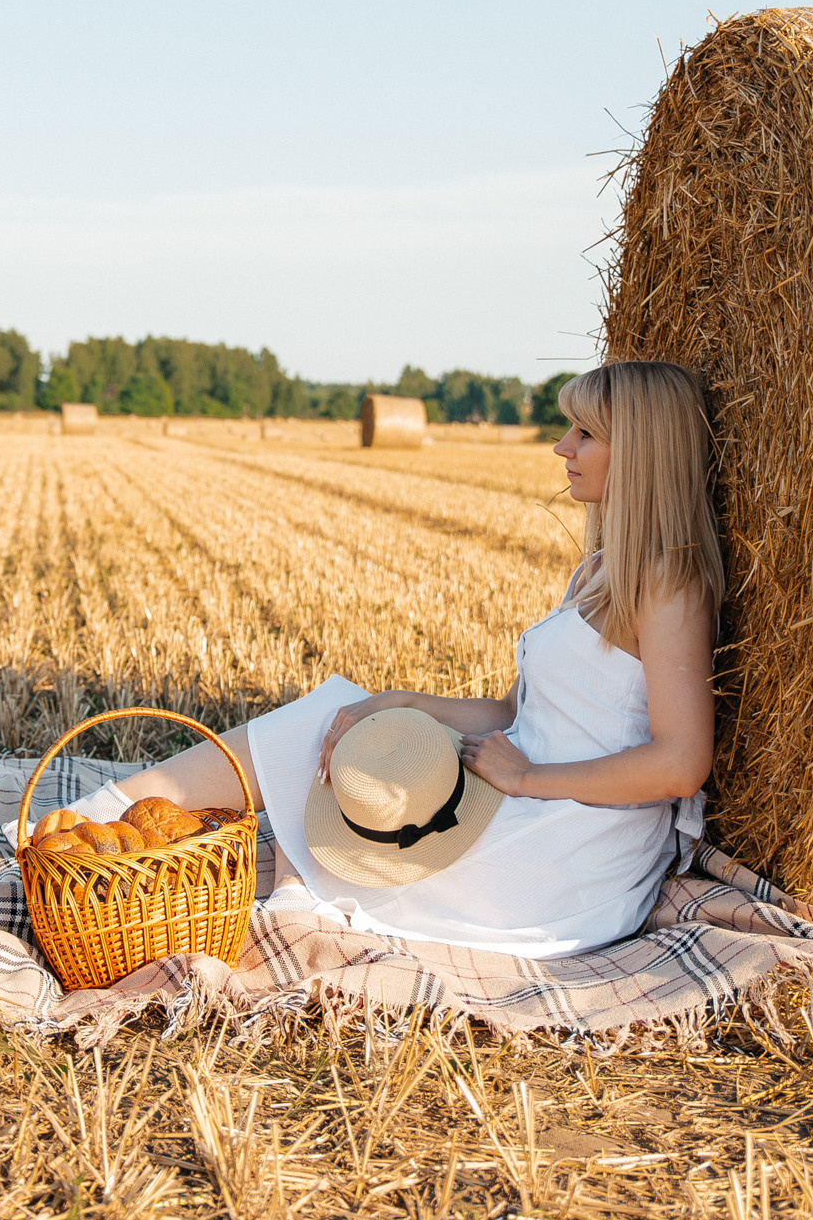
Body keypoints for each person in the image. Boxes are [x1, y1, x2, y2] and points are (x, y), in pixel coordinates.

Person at [42, 360, 722, 960]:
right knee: (337, 715)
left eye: (584, 434)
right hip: (520, 790)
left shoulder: (671, 585)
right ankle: (100, 822)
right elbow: (519, 711)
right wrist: (401, 699)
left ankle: (97, 842)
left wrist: (530, 777)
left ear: (638, 452)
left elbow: (680, 762)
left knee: (340, 833)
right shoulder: (600, 570)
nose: (559, 446)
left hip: (566, 846)